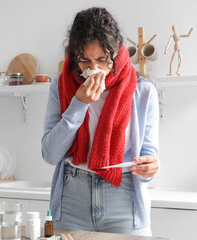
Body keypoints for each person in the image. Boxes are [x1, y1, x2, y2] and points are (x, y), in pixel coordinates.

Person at [41, 7, 159, 236]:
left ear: (115, 51)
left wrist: (151, 168)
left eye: (102, 60)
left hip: (124, 199)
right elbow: (50, 154)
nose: (93, 68)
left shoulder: (143, 91)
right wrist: (79, 103)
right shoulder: (60, 86)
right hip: (72, 197)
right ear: (73, 55)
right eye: (84, 60)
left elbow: (150, 160)